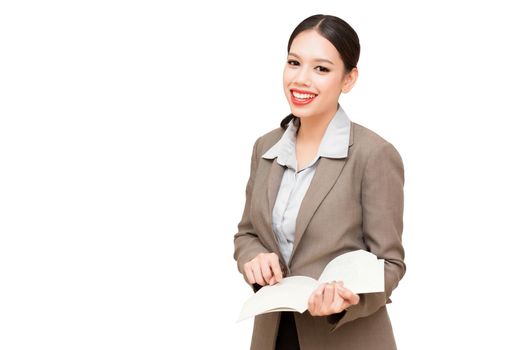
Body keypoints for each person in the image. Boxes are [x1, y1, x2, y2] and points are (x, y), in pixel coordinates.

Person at [233, 14, 406, 350]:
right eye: (294, 63)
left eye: (321, 69)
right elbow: (247, 234)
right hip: (272, 335)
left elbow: (391, 264)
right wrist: (252, 257)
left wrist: (346, 299)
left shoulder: (374, 155)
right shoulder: (265, 148)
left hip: (343, 337)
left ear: (349, 79)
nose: (301, 79)